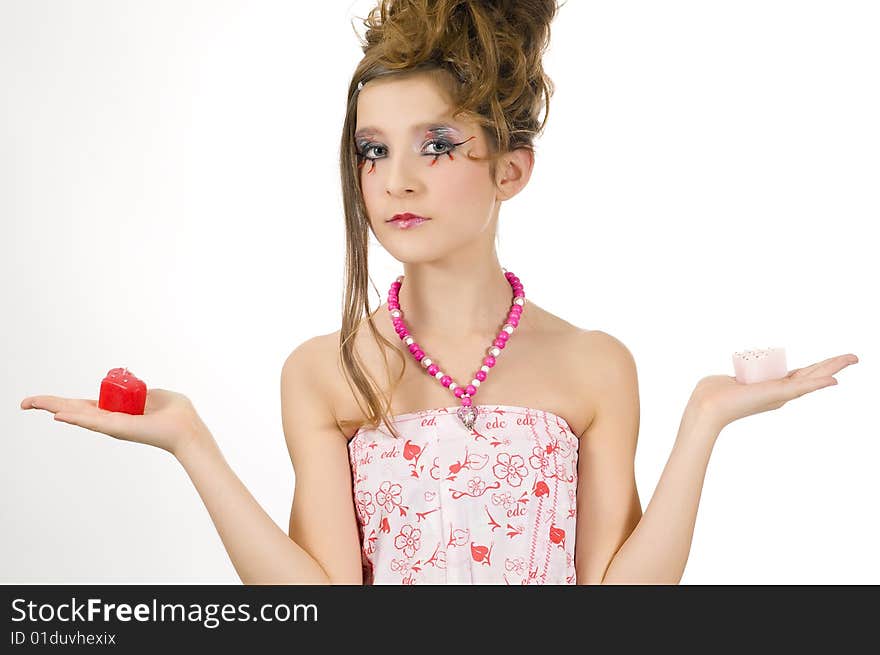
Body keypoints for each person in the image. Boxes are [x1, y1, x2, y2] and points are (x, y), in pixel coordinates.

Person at [19, 0, 858, 585]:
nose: (397, 181)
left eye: (436, 144)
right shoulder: (324, 372)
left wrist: (702, 423)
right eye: (374, 150)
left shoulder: (594, 366)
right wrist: (191, 443)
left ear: (511, 169)